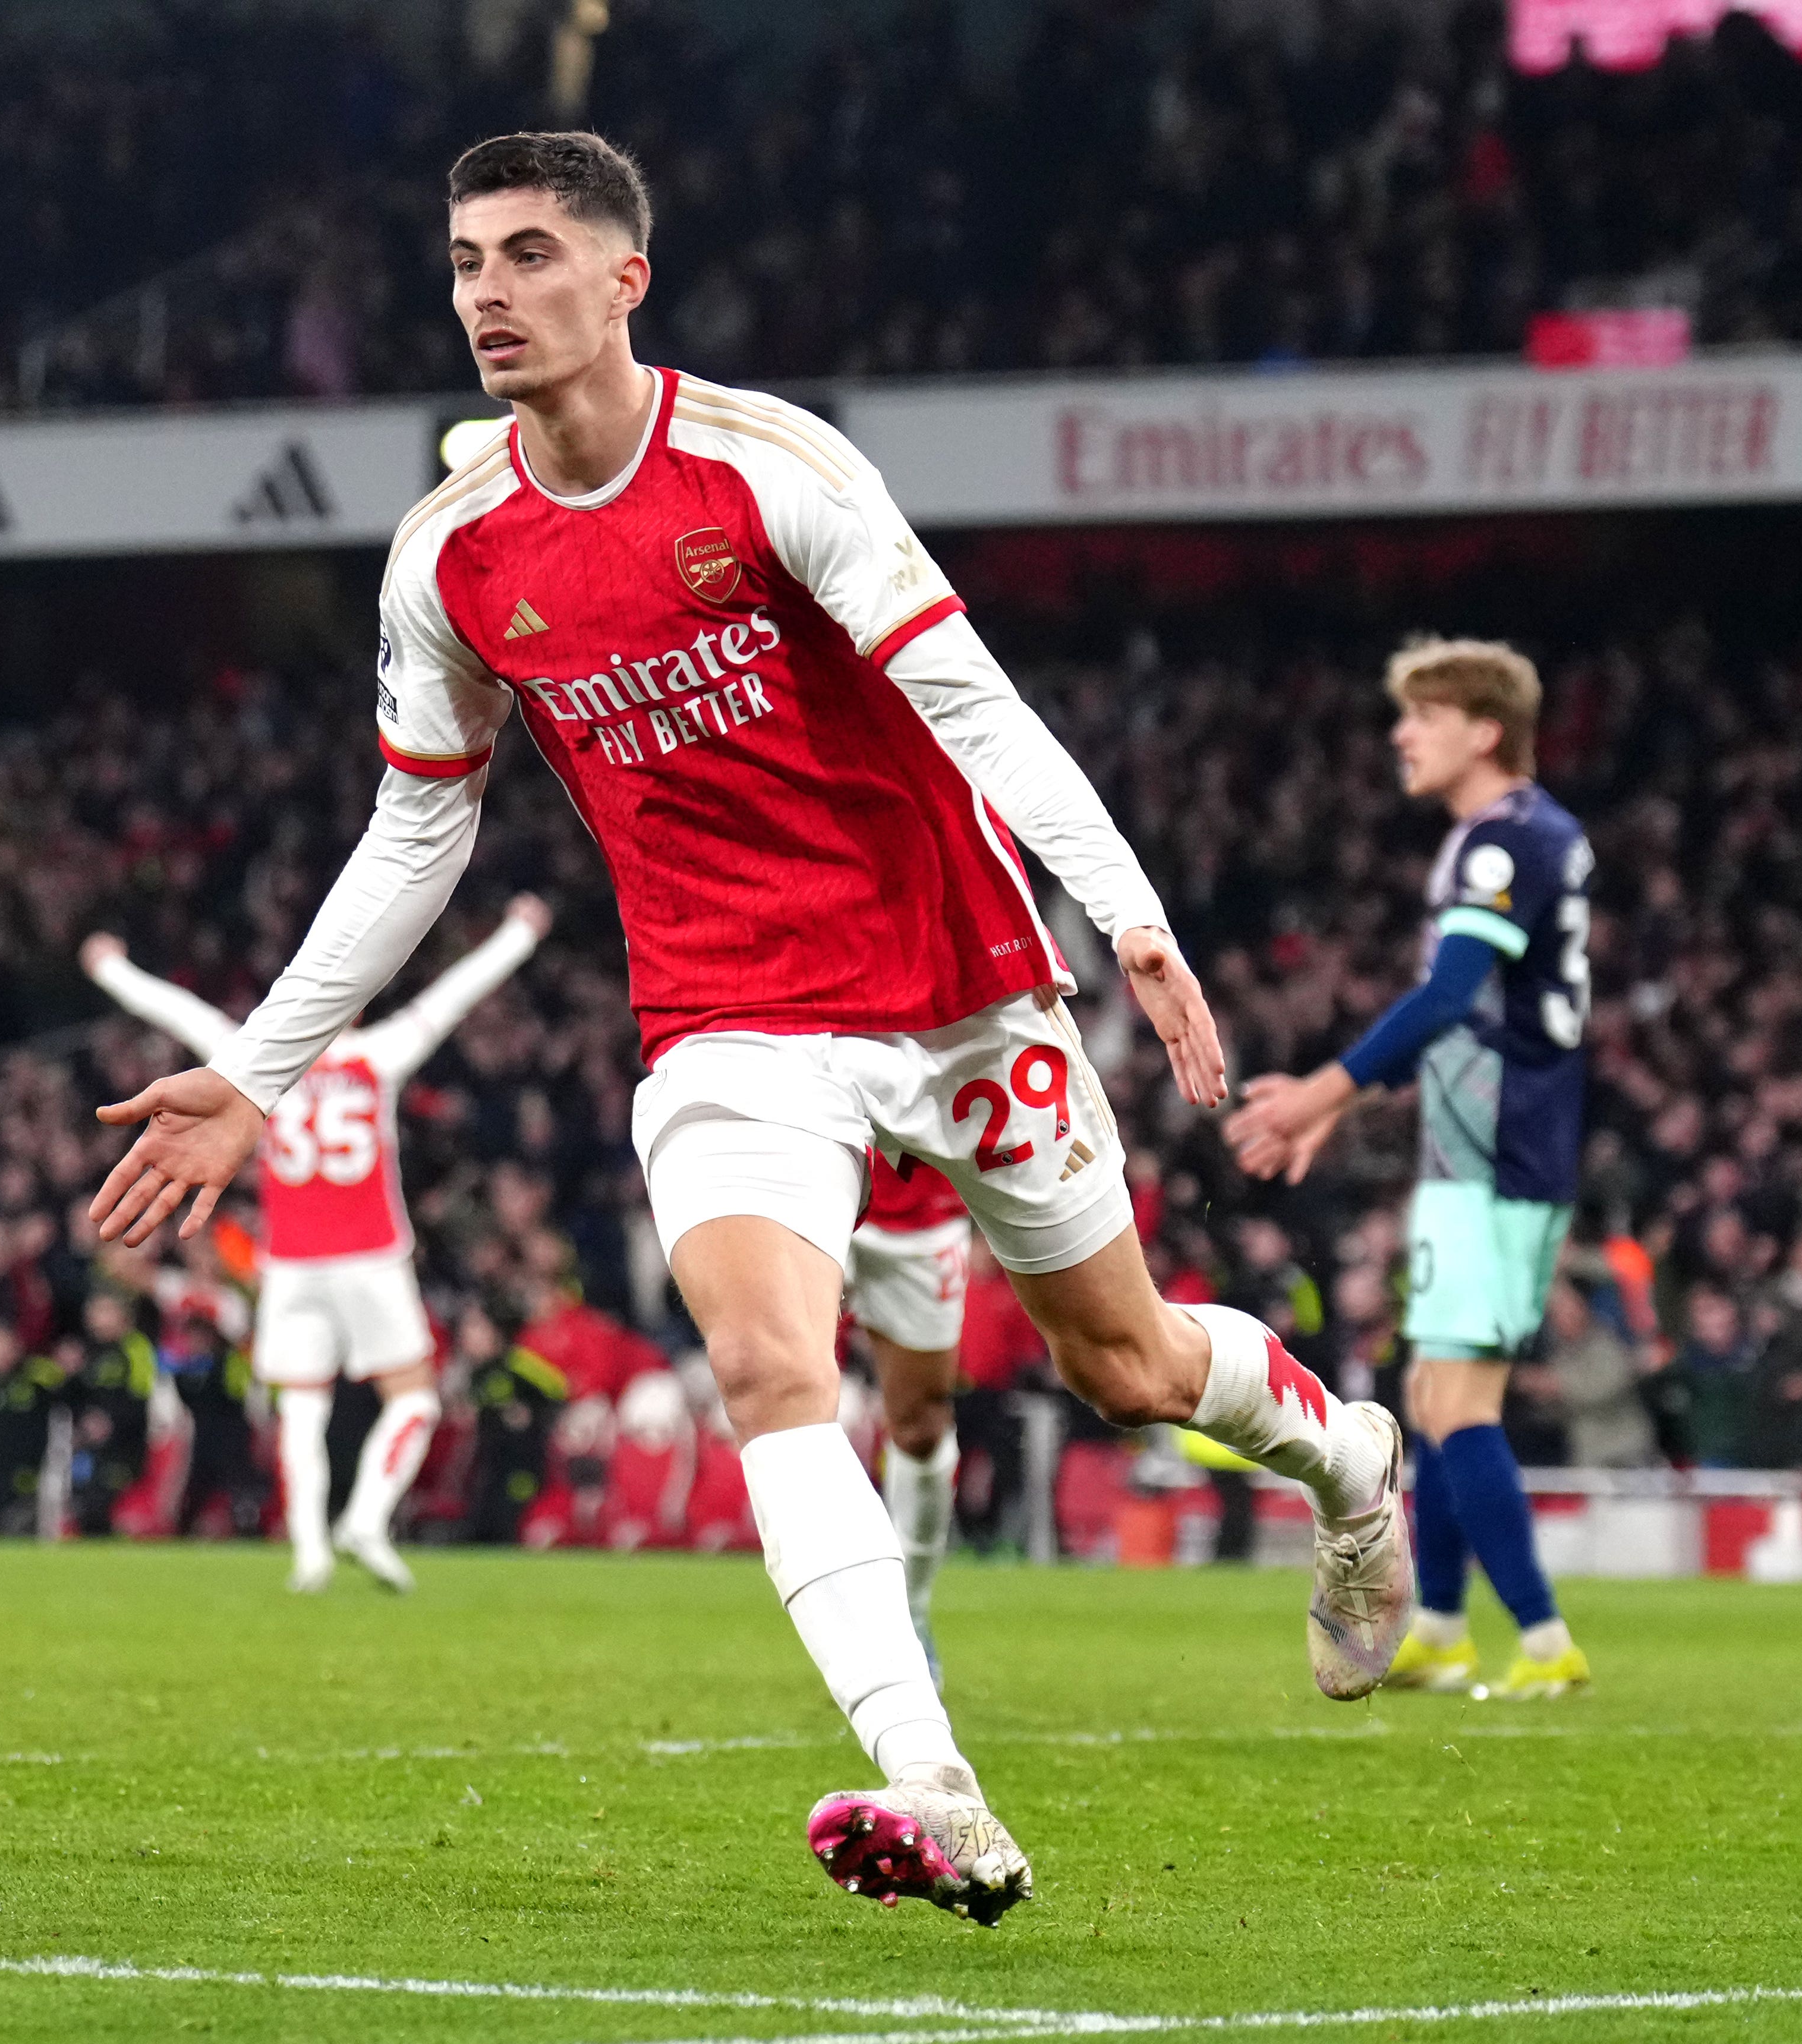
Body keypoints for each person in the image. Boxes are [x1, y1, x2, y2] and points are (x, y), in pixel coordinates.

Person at [88, 131, 1412, 1928]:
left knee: (1127, 1368)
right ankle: (934, 1784)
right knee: (773, 1374)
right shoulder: (453, 558)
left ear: (625, 278)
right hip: (727, 1021)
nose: (487, 290)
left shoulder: (765, 467)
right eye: (468, 258)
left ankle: (1350, 1464)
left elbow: (969, 698)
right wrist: (255, 1070)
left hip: (958, 983)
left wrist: (1133, 916)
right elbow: (421, 827)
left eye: (531, 254)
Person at [1227, 637, 1594, 1702]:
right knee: (1433, 1395)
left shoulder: (1504, 839)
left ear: (1483, 729)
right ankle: (1437, 1624)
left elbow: (1447, 997)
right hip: (1480, 1144)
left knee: (1460, 1401)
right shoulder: (1516, 835)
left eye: (1423, 714)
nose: (1401, 732)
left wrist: (1319, 1093)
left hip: (1498, 1148)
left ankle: (1542, 1640)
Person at [81, 896, 547, 1591]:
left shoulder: (255, 1058)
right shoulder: (376, 1054)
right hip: (370, 1251)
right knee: (414, 1399)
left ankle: (309, 1556)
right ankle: (366, 1516)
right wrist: (517, 934)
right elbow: (453, 997)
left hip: (292, 1262)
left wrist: (111, 970)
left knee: (302, 1407)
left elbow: (177, 1011)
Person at [852, 1152, 972, 1679]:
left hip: (915, 1206)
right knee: (785, 1392)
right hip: (802, 1164)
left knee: (920, 1428)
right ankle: (832, 1618)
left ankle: (911, 1608)